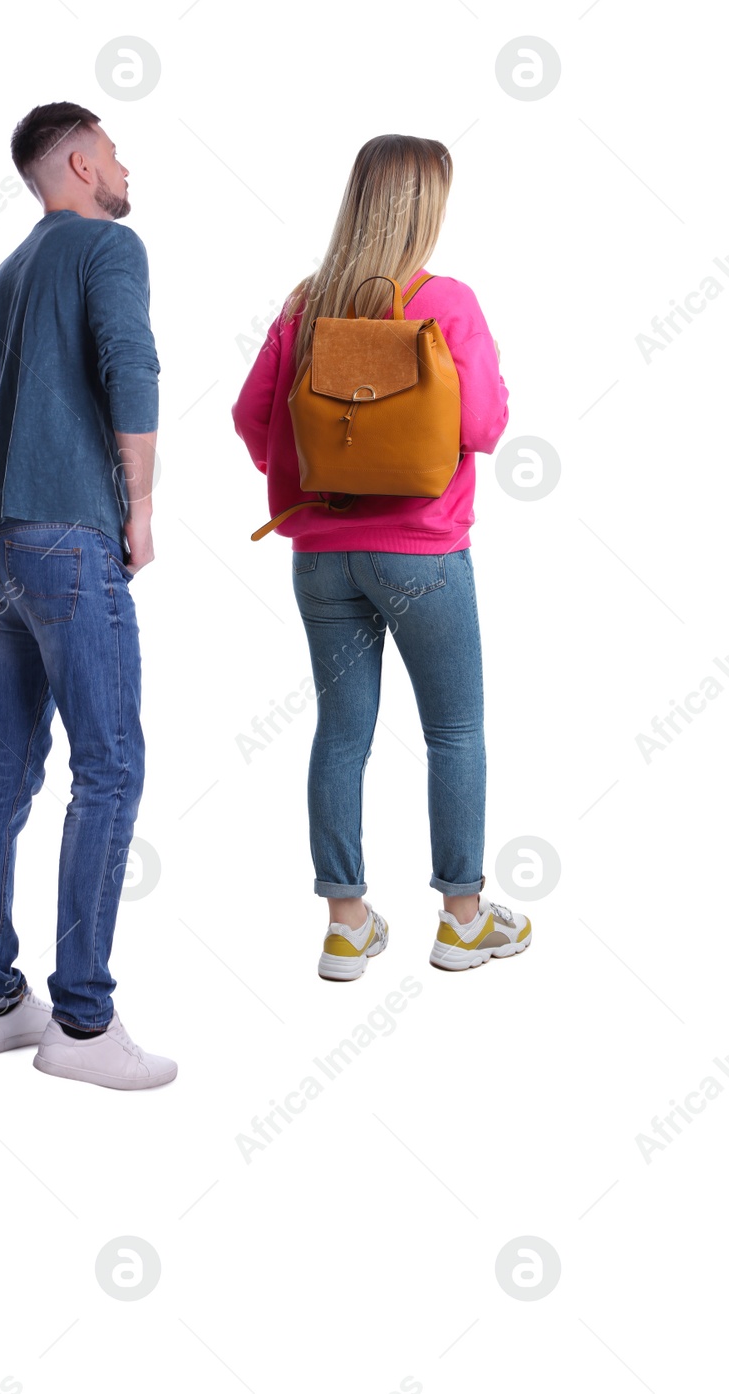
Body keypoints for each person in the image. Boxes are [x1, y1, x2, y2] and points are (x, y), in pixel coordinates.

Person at [232, 134, 532, 981]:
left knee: (341, 734)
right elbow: (480, 428)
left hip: (322, 556)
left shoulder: (306, 304)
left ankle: (346, 923)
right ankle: (464, 919)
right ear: (425, 207)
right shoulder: (447, 301)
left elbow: (252, 419)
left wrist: (317, 473)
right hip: (424, 549)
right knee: (455, 731)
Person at [0, 101, 175, 1091]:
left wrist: (13, 496)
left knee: (3, 770)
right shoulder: (104, 248)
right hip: (72, 541)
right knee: (109, 766)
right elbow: (132, 366)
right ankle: (81, 1019)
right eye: (114, 151)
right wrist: (140, 502)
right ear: (78, 162)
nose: (125, 165)